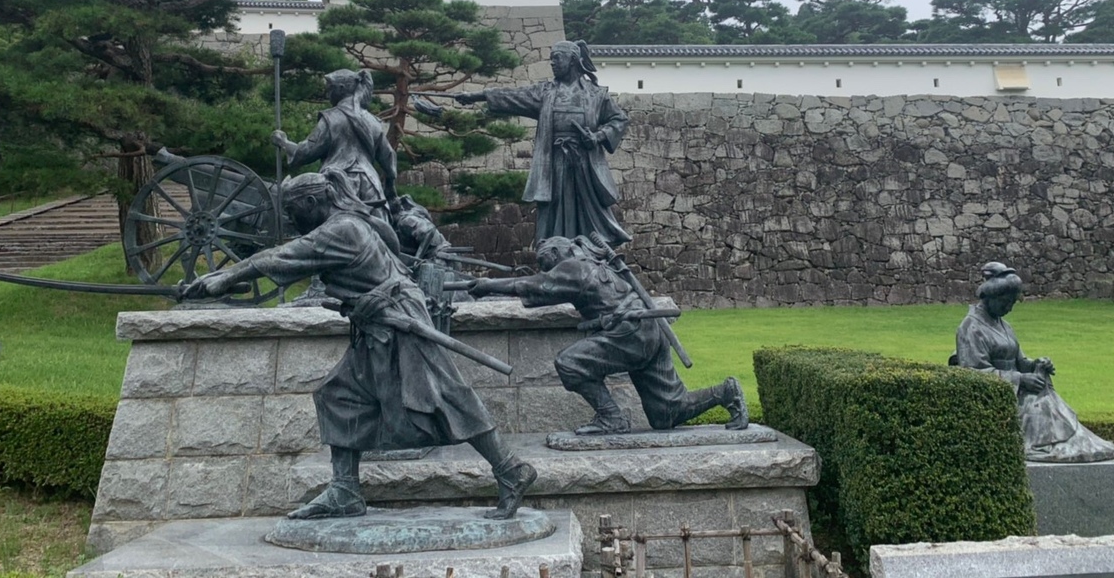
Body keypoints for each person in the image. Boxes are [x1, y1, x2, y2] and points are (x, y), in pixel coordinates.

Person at [182, 171, 536, 519]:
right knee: (340, 395)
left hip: (396, 320)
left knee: (444, 395)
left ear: (311, 202)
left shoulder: (343, 229)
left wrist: (226, 277)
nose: (290, 219)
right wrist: (221, 277)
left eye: (292, 211)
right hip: (376, 323)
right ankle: (345, 491)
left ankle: (511, 469)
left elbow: (282, 256)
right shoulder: (352, 222)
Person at [469, 235, 748, 435]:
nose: (547, 269)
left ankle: (611, 417)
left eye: (546, 262)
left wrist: (487, 284)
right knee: (667, 413)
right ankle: (725, 392)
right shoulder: (601, 265)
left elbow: (534, 285)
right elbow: (542, 286)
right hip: (650, 329)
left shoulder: (574, 265)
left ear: (557, 252)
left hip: (629, 332)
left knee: (569, 363)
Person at [455, 41, 630, 247]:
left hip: (584, 162)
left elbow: (619, 119)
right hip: (554, 162)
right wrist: (476, 96)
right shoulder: (545, 92)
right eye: (551, 59)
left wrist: (597, 136)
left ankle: (592, 250)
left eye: (557, 58)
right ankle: (555, 250)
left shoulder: (596, 94)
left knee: (590, 209)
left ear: (573, 60)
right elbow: (512, 95)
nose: (552, 63)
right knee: (553, 207)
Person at [954, 262, 1114, 463]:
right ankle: (1051, 445)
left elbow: (1019, 360)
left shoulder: (1004, 325)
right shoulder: (970, 328)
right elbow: (974, 374)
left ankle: (1072, 443)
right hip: (997, 396)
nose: (1009, 308)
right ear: (990, 297)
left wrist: (1036, 365)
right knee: (1041, 405)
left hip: (1015, 390)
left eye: (1012, 303)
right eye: (1005, 302)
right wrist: (1021, 380)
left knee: (1048, 400)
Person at [273, 68, 398, 213]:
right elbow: (389, 156)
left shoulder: (331, 119)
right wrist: (390, 186)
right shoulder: (373, 121)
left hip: (337, 186)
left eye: (330, 89)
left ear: (341, 88)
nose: (328, 95)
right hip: (371, 186)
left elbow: (307, 151)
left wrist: (283, 142)